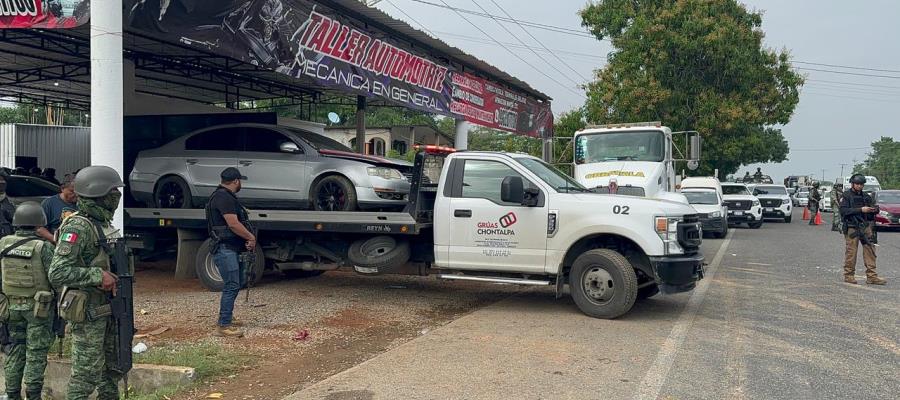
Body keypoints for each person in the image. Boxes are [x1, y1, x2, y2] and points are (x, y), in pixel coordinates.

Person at [47, 166, 125, 399]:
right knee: (86, 375)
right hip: (89, 312)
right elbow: (58, 272)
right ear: (98, 193)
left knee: (111, 370)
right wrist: (97, 276)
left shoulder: (102, 223)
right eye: (113, 191)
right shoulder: (79, 226)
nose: (117, 196)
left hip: (109, 309)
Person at [0, 202, 55, 400]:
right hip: (38, 309)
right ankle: (33, 394)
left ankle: (11, 392)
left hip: (9, 307)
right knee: (36, 351)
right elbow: (55, 277)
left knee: (14, 348)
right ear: (39, 224)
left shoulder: (3, 243)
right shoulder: (43, 247)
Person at [205, 167, 255, 338]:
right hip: (225, 248)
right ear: (235, 181)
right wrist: (250, 237)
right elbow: (233, 224)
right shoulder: (224, 197)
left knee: (235, 283)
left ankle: (228, 317)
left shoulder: (222, 196)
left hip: (230, 247)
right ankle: (223, 325)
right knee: (231, 285)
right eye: (240, 181)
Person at [839, 174, 886, 285]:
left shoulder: (866, 196)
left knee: (870, 250)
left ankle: (872, 276)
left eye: (861, 184)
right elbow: (844, 211)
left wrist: (874, 209)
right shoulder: (846, 196)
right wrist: (861, 209)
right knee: (851, 252)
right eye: (857, 184)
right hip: (852, 228)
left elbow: (873, 208)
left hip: (865, 226)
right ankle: (849, 275)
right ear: (852, 184)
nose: (859, 186)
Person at [36, 174, 78, 244]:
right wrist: (55, 240)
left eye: (78, 192)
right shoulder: (49, 203)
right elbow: (40, 228)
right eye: (72, 191)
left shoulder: (83, 204)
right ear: (62, 189)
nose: (76, 195)